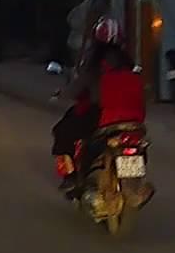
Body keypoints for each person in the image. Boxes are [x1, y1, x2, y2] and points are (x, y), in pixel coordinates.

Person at [50, 16, 145, 193]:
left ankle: (71, 177)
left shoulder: (94, 62)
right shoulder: (128, 62)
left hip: (102, 114)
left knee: (62, 131)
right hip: (134, 116)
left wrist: (63, 93)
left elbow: (78, 88)